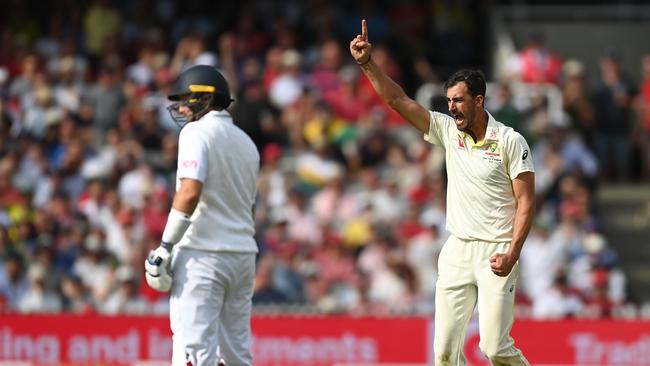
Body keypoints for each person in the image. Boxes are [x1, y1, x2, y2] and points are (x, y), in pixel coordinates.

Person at [350, 20, 535, 365]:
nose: (451, 107)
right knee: (445, 354)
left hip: (497, 250)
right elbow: (397, 100)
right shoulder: (449, 132)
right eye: (448, 101)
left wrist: (512, 252)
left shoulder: (510, 140)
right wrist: (367, 64)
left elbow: (526, 201)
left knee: (494, 348)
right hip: (457, 250)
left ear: (479, 101)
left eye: (459, 100)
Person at [144, 65, 260, 366]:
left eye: (186, 99)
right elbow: (250, 206)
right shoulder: (247, 143)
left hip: (203, 255)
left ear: (205, 99)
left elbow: (190, 191)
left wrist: (165, 246)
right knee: (235, 355)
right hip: (243, 257)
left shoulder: (196, 132)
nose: (181, 108)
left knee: (192, 353)